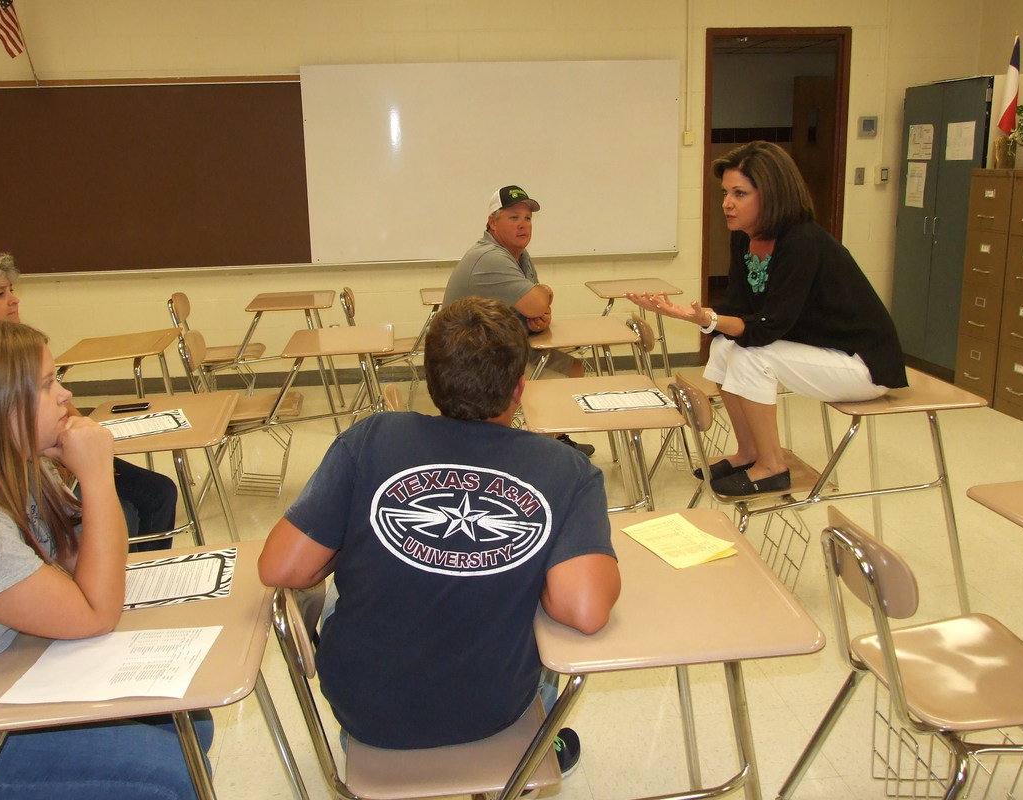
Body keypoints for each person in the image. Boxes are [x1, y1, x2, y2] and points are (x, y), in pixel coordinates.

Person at [259, 297, 620, 772]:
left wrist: (350, 545)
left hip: (367, 714)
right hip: (494, 712)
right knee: (538, 613)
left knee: (337, 596)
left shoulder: (370, 438)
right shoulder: (566, 469)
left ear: (430, 381)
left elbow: (281, 567)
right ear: (519, 389)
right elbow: (584, 610)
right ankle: (539, 738)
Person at [0, 321, 209, 800]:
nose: (67, 394)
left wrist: (77, 469)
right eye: (46, 385)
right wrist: (99, 475)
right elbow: (94, 613)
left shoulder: (18, 466)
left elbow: (90, 563)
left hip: (8, 675)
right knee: (167, 775)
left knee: (188, 721)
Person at [628, 141, 907, 498]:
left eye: (739, 193)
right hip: (821, 352)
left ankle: (772, 466)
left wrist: (703, 318)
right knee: (725, 346)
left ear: (772, 195)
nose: (727, 203)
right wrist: (701, 318)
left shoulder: (803, 242)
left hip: (863, 365)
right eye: (726, 192)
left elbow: (767, 326)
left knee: (749, 354)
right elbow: (738, 308)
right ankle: (749, 453)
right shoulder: (746, 240)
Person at [0, 252, 177, 551]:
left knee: (158, 491)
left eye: (12, 290)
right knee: (121, 515)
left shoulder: (18, 350)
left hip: (53, 468)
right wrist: (89, 471)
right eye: (0, 294)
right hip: (32, 481)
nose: (14, 300)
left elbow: (66, 415)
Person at [443, 185, 595, 456]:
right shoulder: (489, 257)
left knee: (574, 369)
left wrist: (540, 320)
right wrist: (545, 295)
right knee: (554, 379)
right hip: (471, 359)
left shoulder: (519, 256)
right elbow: (537, 300)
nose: (523, 225)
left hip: (506, 345)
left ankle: (554, 442)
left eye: (527, 218)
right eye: (513, 218)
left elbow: (537, 310)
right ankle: (536, 448)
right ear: (493, 222)